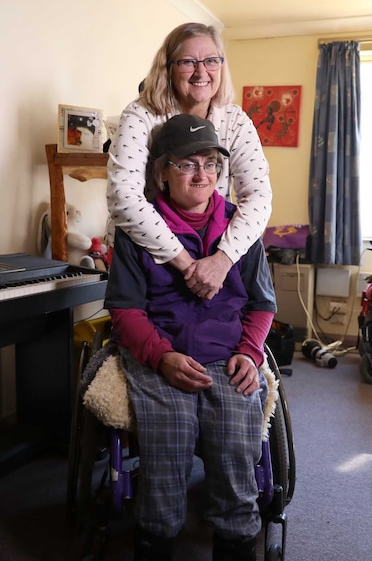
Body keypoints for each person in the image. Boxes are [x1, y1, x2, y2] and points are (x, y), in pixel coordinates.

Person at [104, 114, 276, 561]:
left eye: (210, 164)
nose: (202, 174)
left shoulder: (241, 231)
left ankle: (236, 540)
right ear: (162, 171)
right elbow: (124, 311)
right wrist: (161, 358)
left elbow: (262, 305)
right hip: (162, 354)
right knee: (168, 442)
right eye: (186, 164)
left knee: (237, 439)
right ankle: (156, 540)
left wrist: (250, 352)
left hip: (228, 354)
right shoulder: (140, 230)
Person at [106, 22, 272, 301]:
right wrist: (187, 264)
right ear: (168, 67)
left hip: (213, 259)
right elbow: (123, 197)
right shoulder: (141, 115)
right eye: (187, 62)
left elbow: (258, 197)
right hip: (147, 253)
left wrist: (221, 261)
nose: (201, 72)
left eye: (211, 61)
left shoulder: (236, 121)